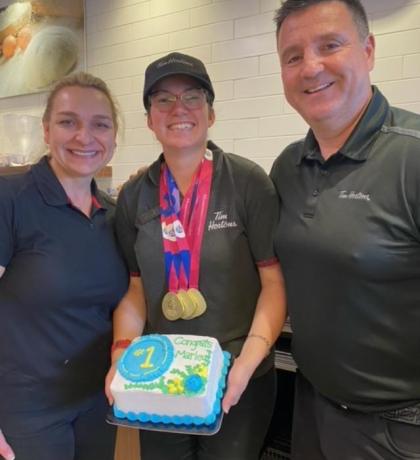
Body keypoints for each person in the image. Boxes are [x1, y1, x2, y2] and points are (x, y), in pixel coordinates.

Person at [105, 52, 287, 460]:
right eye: (163, 100)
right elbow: (135, 290)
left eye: (192, 96)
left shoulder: (248, 183)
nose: (178, 108)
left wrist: (246, 363)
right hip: (159, 381)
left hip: (237, 379)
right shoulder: (134, 196)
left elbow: (274, 284)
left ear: (211, 112)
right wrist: (122, 353)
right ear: (150, 119)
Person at [270, 0, 420, 458]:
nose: (311, 67)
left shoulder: (412, 158)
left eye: (329, 45)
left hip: (396, 430)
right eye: (293, 56)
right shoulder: (287, 167)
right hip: (312, 411)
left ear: (369, 51)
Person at [0, 72, 128, 460]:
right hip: (26, 409)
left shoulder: (113, 213)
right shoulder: (11, 199)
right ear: (45, 130)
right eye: (68, 121)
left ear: (114, 137)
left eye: (99, 124)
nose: (84, 137)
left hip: (97, 401)